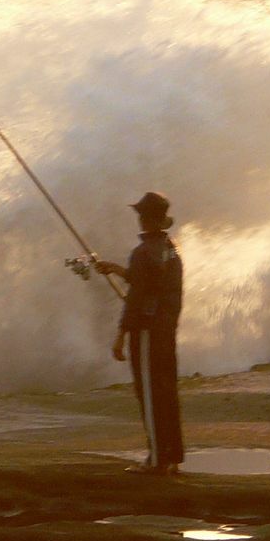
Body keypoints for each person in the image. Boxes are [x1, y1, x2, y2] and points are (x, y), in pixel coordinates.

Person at [94, 191, 185, 475]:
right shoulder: (171, 248)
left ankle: (156, 460)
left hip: (147, 331)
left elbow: (136, 298)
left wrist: (121, 334)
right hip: (166, 329)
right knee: (166, 391)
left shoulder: (143, 252)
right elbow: (150, 282)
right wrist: (116, 270)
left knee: (149, 393)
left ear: (145, 219)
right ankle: (172, 456)